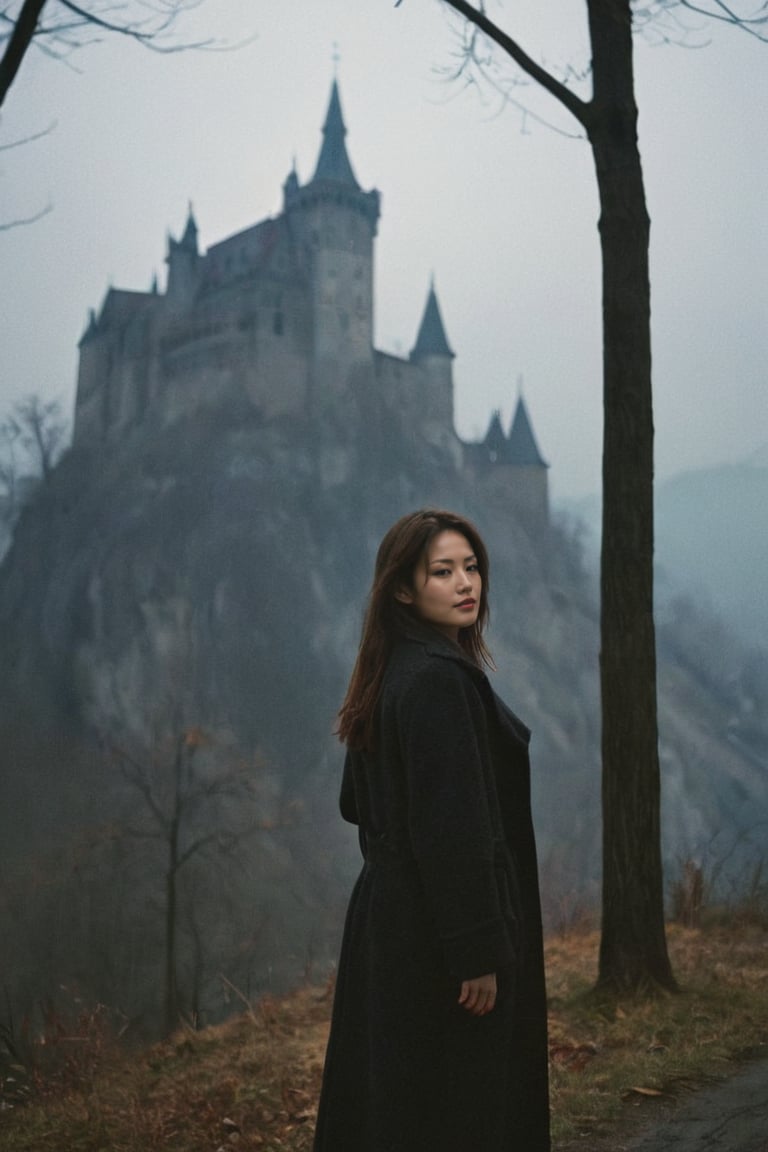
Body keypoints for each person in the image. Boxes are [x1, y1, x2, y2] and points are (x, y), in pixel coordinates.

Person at [313, 509, 550, 1152]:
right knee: (458, 1108)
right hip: (440, 936)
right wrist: (477, 952)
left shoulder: (390, 668)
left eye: (471, 567)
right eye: (442, 571)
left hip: (390, 922)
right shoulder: (439, 681)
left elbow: (353, 802)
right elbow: (455, 831)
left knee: (399, 1101)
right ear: (403, 588)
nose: (465, 583)